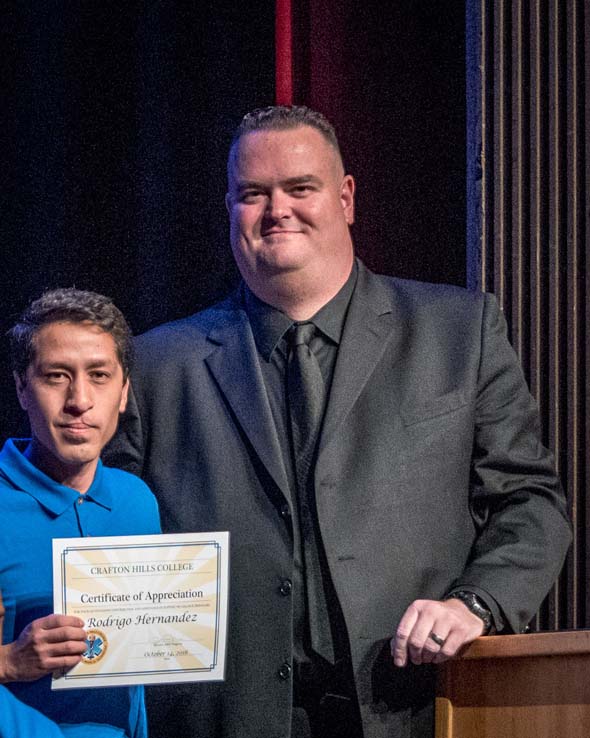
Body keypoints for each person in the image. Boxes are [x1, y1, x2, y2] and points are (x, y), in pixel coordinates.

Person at [105, 106, 571, 738]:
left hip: (413, 709)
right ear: (229, 208)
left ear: (346, 198)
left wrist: (475, 603)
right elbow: (103, 534)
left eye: (300, 188)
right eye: (253, 194)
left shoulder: (460, 332)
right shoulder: (155, 365)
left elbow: (531, 503)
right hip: (221, 718)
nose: (277, 210)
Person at [0, 288, 161, 738]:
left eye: (99, 375)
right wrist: (9, 662)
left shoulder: (137, 501)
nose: (80, 400)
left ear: (124, 392)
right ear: (21, 387)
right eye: (56, 376)